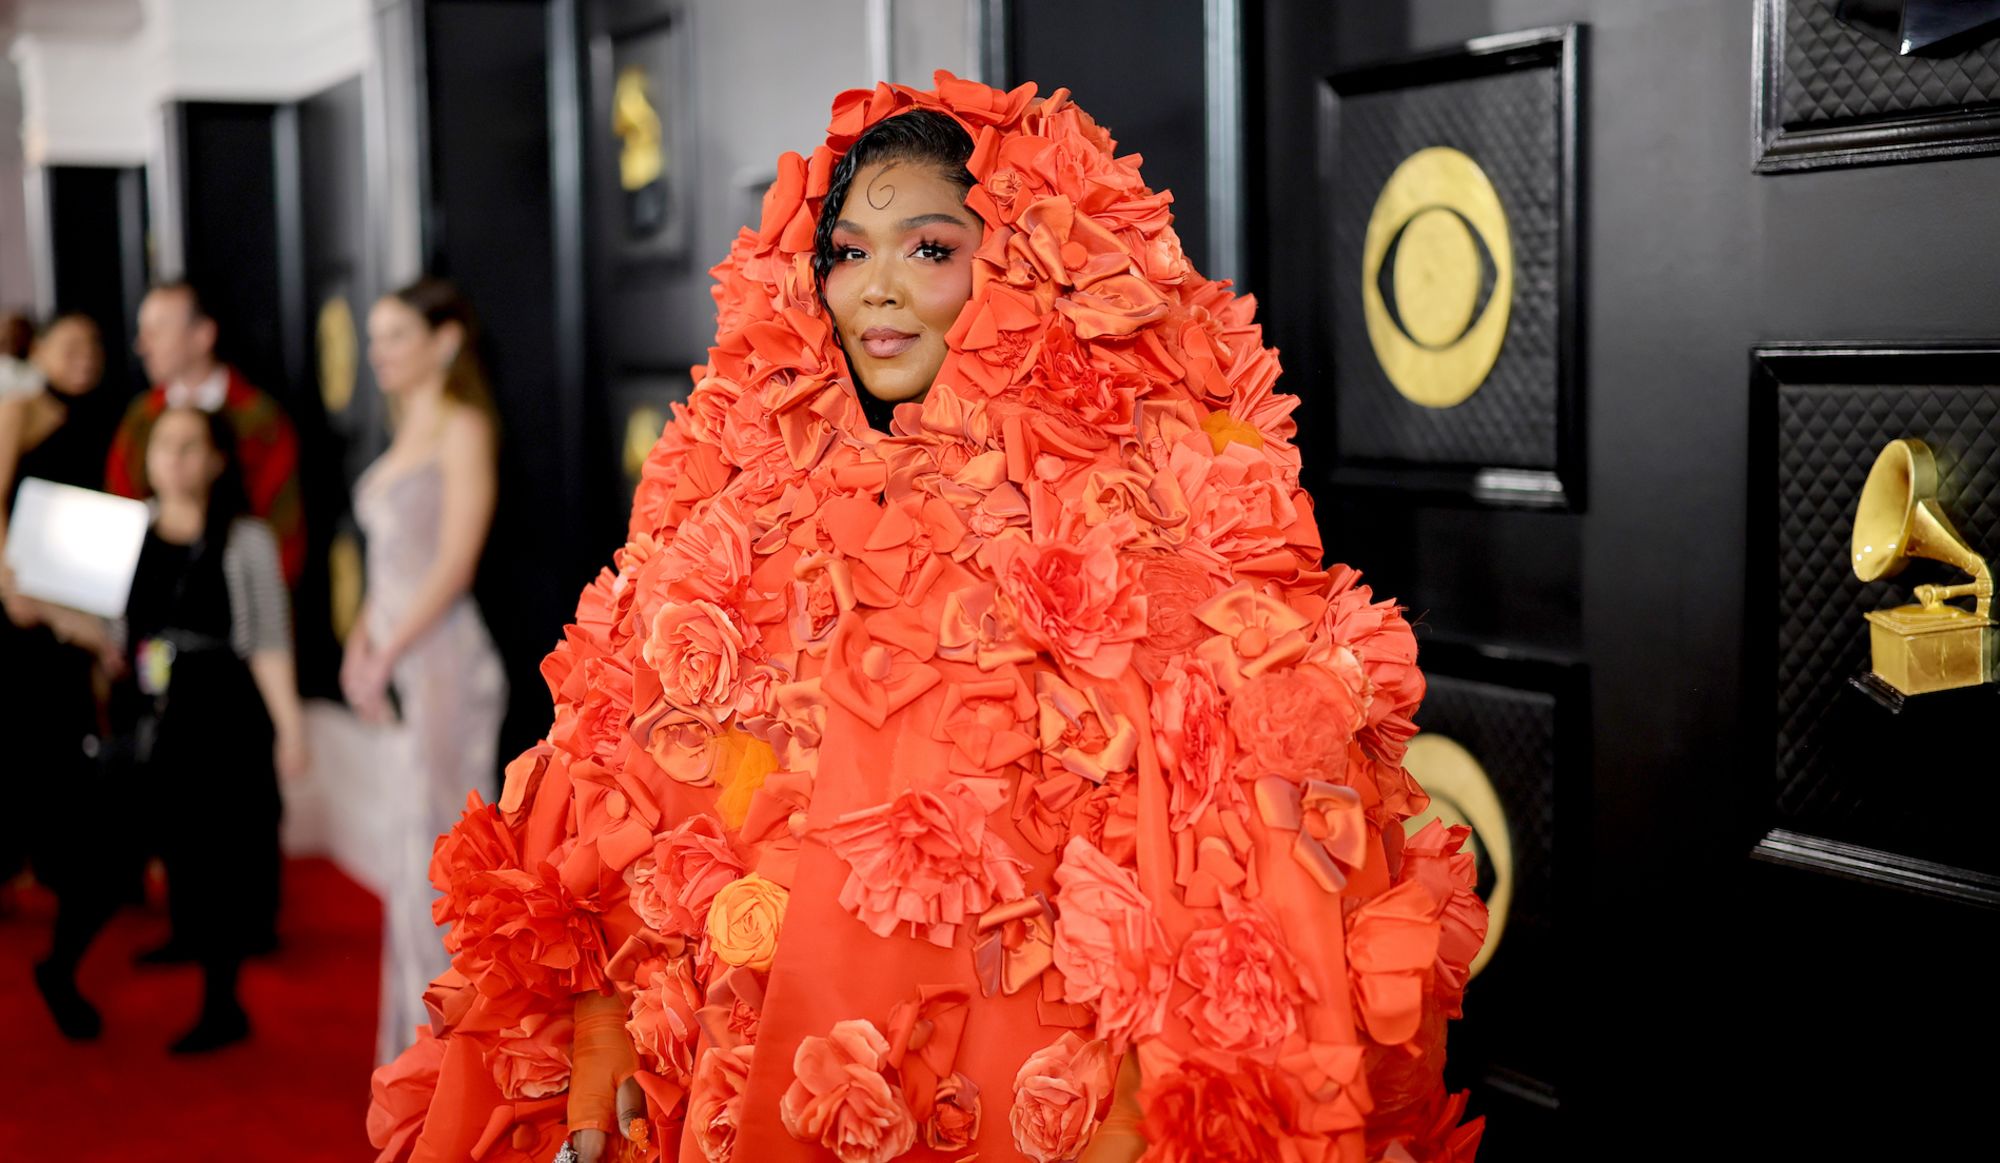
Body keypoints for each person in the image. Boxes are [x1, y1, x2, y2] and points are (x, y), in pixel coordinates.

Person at [369, 76, 1486, 1163]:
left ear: (1025, 268)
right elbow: (611, 774)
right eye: (848, 253)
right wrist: (603, 1010)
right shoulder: (748, 506)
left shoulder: (1138, 514)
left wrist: (1146, 1102)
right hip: (748, 1052)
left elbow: (1236, 829)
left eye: (931, 249)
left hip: (1027, 1070)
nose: (877, 290)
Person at [28, 405, 304, 1053]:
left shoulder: (246, 538)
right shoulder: (123, 532)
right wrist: (42, 603)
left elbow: (267, 639)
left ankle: (222, 1003)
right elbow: (108, 633)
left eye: (190, 445)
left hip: (225, 712)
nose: (176, 457)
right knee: (109, 850)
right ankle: (58, 965)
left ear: (215, 458)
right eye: (165, 445)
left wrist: (292, 727)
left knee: (220, 859)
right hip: (149, 709)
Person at [341, 276, 507, 1065]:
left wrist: (387, 649)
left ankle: (455, 1063)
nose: (377, 353)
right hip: (401, 657)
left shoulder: (461, 426)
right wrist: (359, 645)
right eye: (373, 338)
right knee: (407, 852)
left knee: (438, 861)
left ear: (443, 342)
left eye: (395, 336)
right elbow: (387, 568)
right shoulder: (404, 427)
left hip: (444, 665)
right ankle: (416, 1064)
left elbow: (452, 564)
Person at [1, 314, 113, 904]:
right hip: (19, 601)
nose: (86, 356)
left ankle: (66, 864)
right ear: (37, 349)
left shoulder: (104, 419)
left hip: (77, 596)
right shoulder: (17, 408)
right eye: (71, 345)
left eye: (93, 344)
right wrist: (9, 585)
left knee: (72, 722)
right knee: (23, 724)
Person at [107, 281, 306, 586]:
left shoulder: (259, 420)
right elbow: (119, 511)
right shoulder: (140, 419)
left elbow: (284, 527)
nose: (142, 345)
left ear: (203, 336)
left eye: (157, 331)